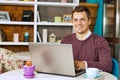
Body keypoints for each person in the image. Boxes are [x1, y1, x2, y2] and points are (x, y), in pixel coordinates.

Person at [61, 6, 112, 73]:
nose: (79, 23)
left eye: (82, 19)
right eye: (75, 20)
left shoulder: (100, 42)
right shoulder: (66, 40)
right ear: (72, 22)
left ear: (89, 21)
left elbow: (107, 66)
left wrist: (84, 65)